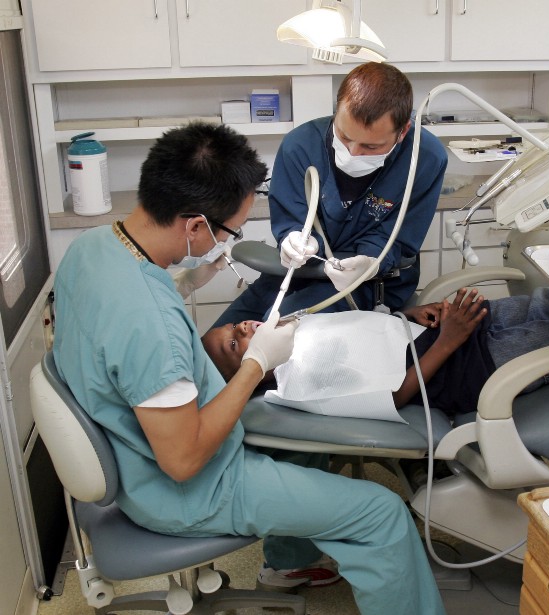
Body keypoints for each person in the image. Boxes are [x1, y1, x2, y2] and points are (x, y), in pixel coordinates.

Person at [52, 122, 446, 615]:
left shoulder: (93, 248)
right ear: (195, 225)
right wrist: (256, 365)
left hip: (133, 451)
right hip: (188, 489)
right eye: (229, 231)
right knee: (381, 514)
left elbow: (116, 324)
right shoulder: (153, 330)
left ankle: (288, 564)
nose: (228, 240)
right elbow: (184, 460)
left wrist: (188, 280)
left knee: (303, 446)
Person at [202, 222, 549, 417]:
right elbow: (394, 394)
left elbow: (369, 331)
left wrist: (410, 314)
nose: (245, 327)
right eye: (235, 343)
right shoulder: (294, 384)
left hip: (438, 330)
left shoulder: (293, 335)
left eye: (234, 326)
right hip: (465, 371)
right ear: (245, 372)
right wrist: (447, 341)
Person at [213, 62, 448, 327]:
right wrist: (295, 239)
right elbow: (291, 219)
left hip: (372, 284)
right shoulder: (300, 146)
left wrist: (370, 261)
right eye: (345, 136)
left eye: (371, 146)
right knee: (215, 342)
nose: (353, 153)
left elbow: (400, 239)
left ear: (402, 131)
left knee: (273, 329)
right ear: (337, 112)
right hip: (296, 275)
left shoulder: (424, 158)